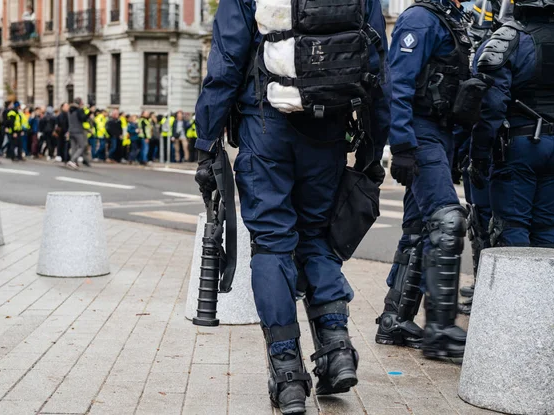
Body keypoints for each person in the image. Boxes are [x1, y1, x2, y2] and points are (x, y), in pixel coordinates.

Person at [194, 0, 390, 411]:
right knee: (317, 237)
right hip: (329, 125)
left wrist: (206, 140)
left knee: (272, 246)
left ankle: (287, 379)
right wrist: (375, 142)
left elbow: (227, 62)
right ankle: (336, 351)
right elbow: (375, 63)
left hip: (265, 126)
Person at [374, 0, 472, 359]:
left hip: (440, 134)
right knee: (447, 220)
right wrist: (400, 143)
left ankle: (394, 319)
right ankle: (440, 330)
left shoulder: (450, 19)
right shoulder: (420, 18)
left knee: (418, 229)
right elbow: (397, 83)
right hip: (421, 132)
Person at [469, 1, 554, 249]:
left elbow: (492, 106)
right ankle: (546, 289)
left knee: (511, 228)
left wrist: (478, 156)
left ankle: (515, 289)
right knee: (550, 228)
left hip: (521, 146)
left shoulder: (509, 38)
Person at [457, 0, 513, 315]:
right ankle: (482, 284)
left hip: (499, 140)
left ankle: (491, 291)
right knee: (478, 220)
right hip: (479, 135)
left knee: (496, 221)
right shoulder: (482, 12)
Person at [67, 97, 91, 169]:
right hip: (78, 131)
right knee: (82, 146)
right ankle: (72, 161)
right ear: (80, 103)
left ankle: (74, 162)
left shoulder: (69, 110)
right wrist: (89, 112)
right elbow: (83, 119)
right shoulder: (79, 110)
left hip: (71, 131)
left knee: (74, 148)